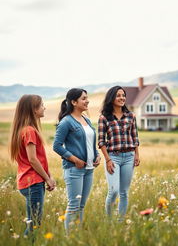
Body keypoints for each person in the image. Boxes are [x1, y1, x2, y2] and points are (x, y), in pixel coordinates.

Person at [53, 88, 100, 232]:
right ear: (74, 102)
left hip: (89, 169)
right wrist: (75, 160)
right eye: (84, 98)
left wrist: (97, 155)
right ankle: (69, 238)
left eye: (87, 97)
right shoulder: (66, 122)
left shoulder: (86, 119)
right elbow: (57, 146)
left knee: (81, 206)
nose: (87, 101)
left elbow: (90, 142)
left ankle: (77, 236)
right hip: (74, 169)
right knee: (73, 205)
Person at [9, 95, 56, 236]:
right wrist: (47, 179)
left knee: (33, 223)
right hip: (33, 183)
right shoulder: (29, 131)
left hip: (27, 182)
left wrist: (49, 175)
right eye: (42, 105)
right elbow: (33, 159)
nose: (44, 107)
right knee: (34, 225)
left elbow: (37, 159)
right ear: (33, 110)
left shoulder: (22, 129)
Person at [98, 86, 140, 218]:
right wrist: (107, 159)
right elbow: (101, 141)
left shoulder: (131, 116)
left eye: (123, 95)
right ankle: (110, 221)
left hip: (129, 156)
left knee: (124, 192)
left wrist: (137, 155)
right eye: (118, 95)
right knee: (114, 190)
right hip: (113, 157)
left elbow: (135, 137)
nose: (122, 98)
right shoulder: (104, 118)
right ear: (111, 98)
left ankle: (120, 222)